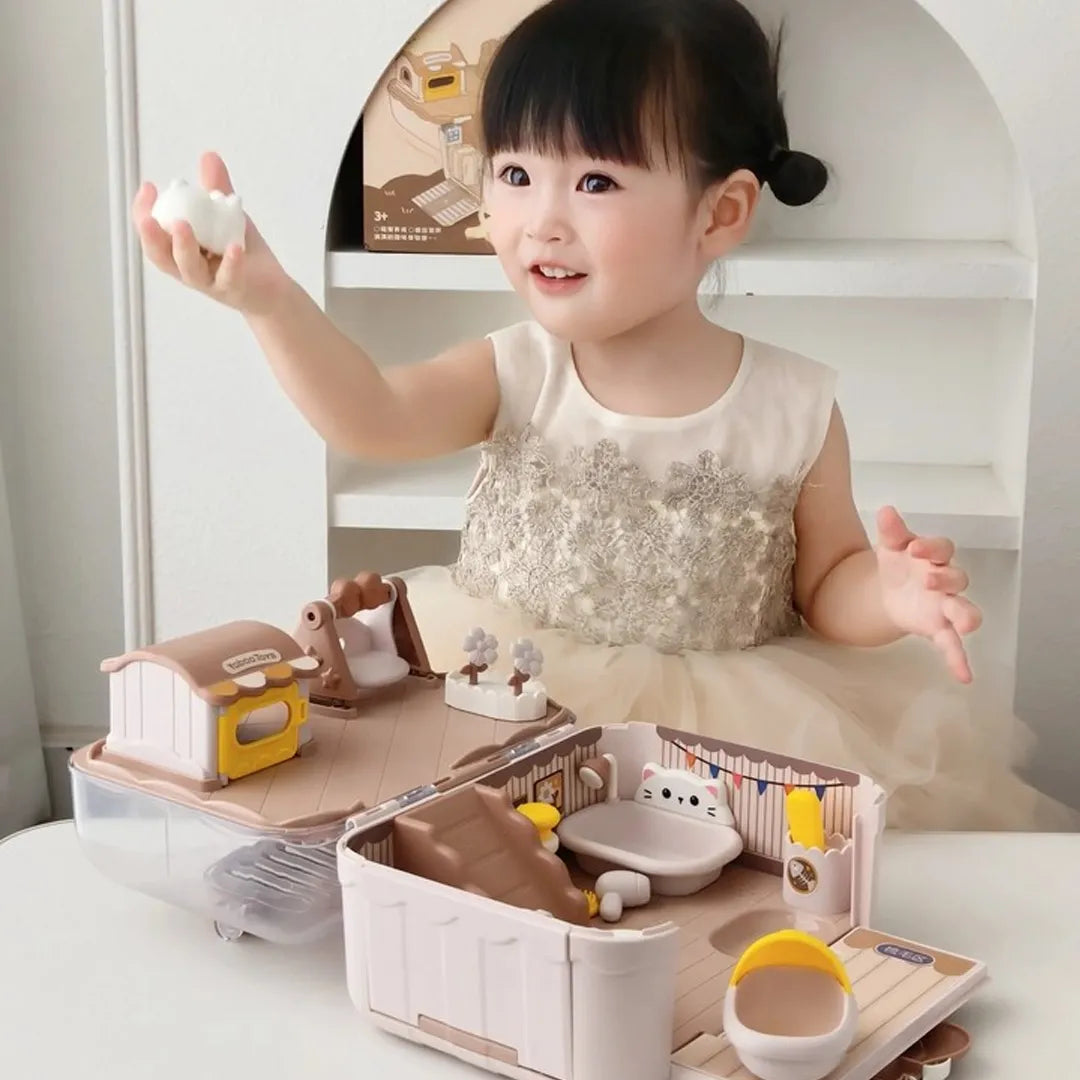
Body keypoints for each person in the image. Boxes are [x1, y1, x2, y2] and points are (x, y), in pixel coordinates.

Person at [131, 0, 1076, 830]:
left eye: (595, 183)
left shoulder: (794, 405)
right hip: (503, 699)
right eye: (513, 175)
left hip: (718, 744)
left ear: (720, 214)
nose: (542, 220)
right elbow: (370, 415)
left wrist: (891, 597)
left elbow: (828, 584)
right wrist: (271, 301)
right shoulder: (517, 370)